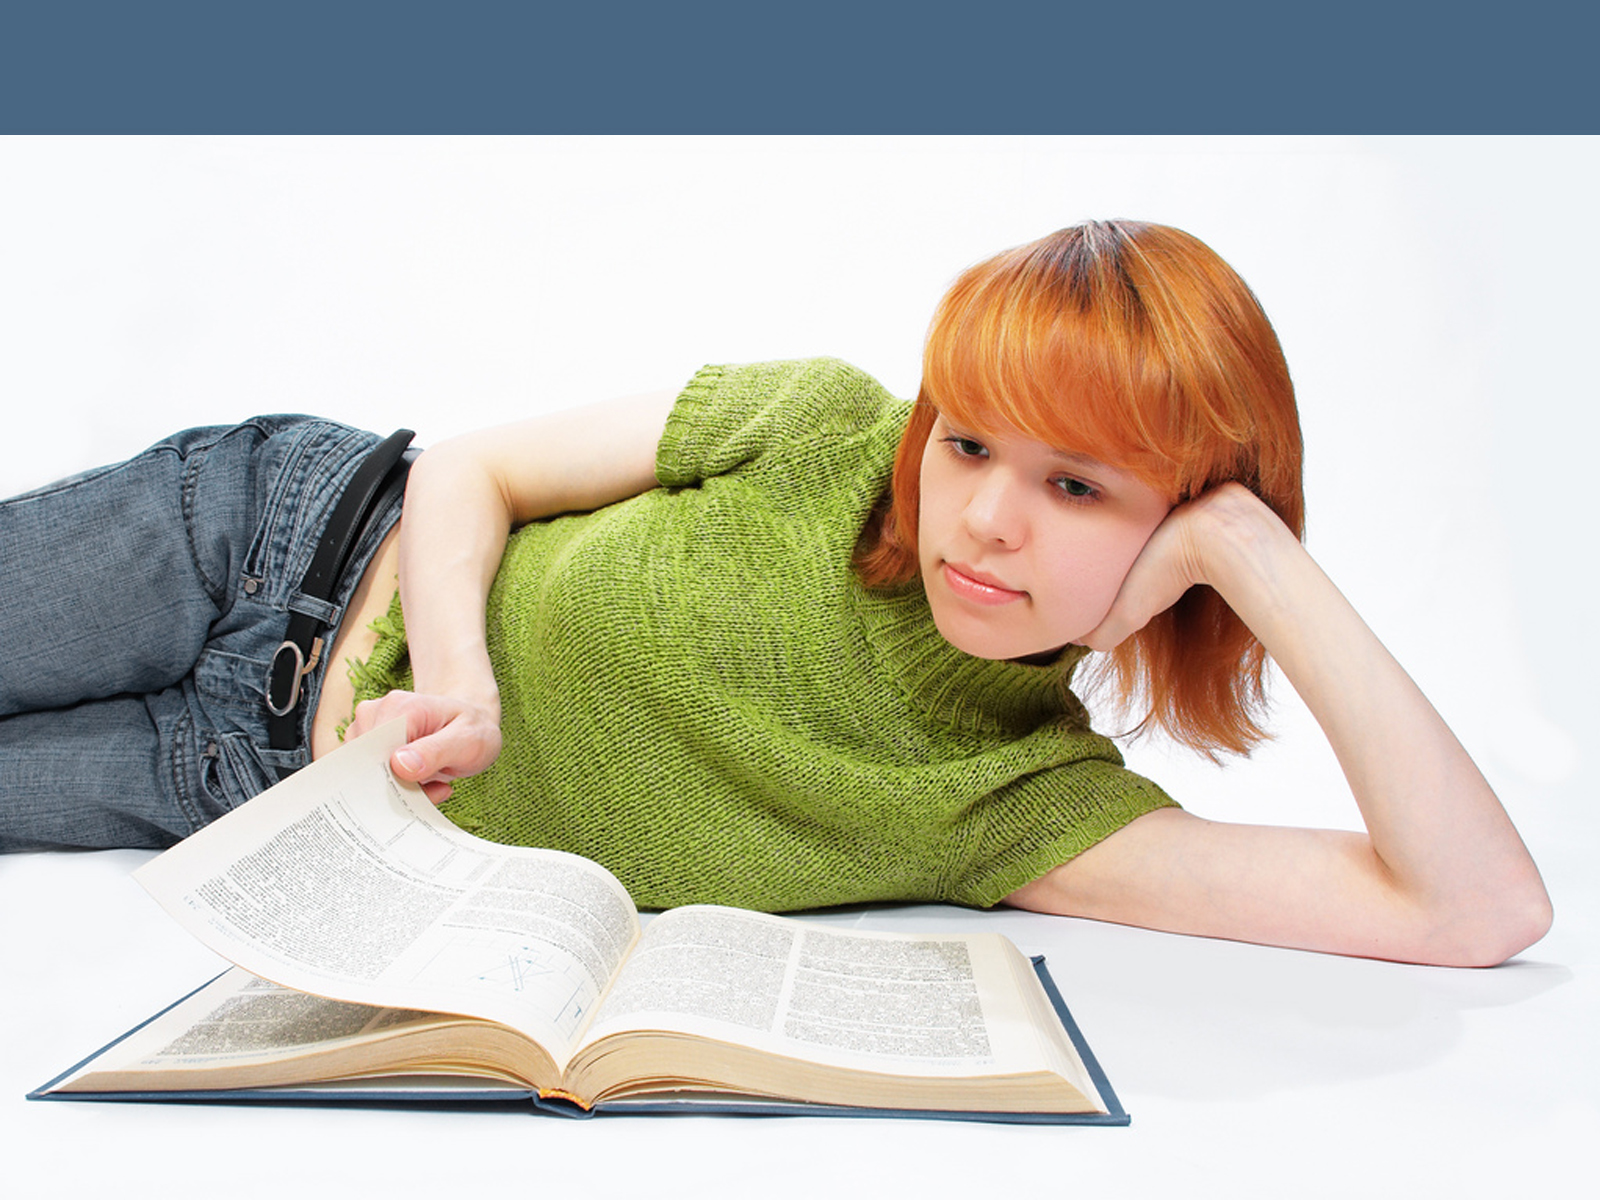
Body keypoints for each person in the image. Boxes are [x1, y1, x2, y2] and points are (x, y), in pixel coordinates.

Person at [0, 220, 1551, 969]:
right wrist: (462, 679)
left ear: (1183, 534)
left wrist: (1258, 556)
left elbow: (1475, 910)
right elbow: (465, 468)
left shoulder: (1020, 806)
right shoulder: (819, 430)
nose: (986, 519)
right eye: (972, 441)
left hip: (248, 788)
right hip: (273, 536)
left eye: (1080, 486)